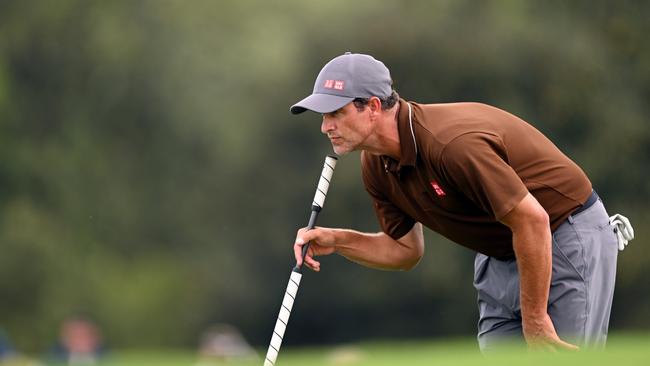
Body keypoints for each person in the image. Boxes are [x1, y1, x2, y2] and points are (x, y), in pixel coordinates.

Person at [289, 52, 634, 352]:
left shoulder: (450, 145)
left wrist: (535, 319)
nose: (325, 127)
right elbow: (405, 251)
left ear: (373, 107)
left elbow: (533, 220)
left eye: (335, 113)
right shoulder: (376, 165)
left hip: (566, 234)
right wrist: (337, 240)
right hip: (503, 249)